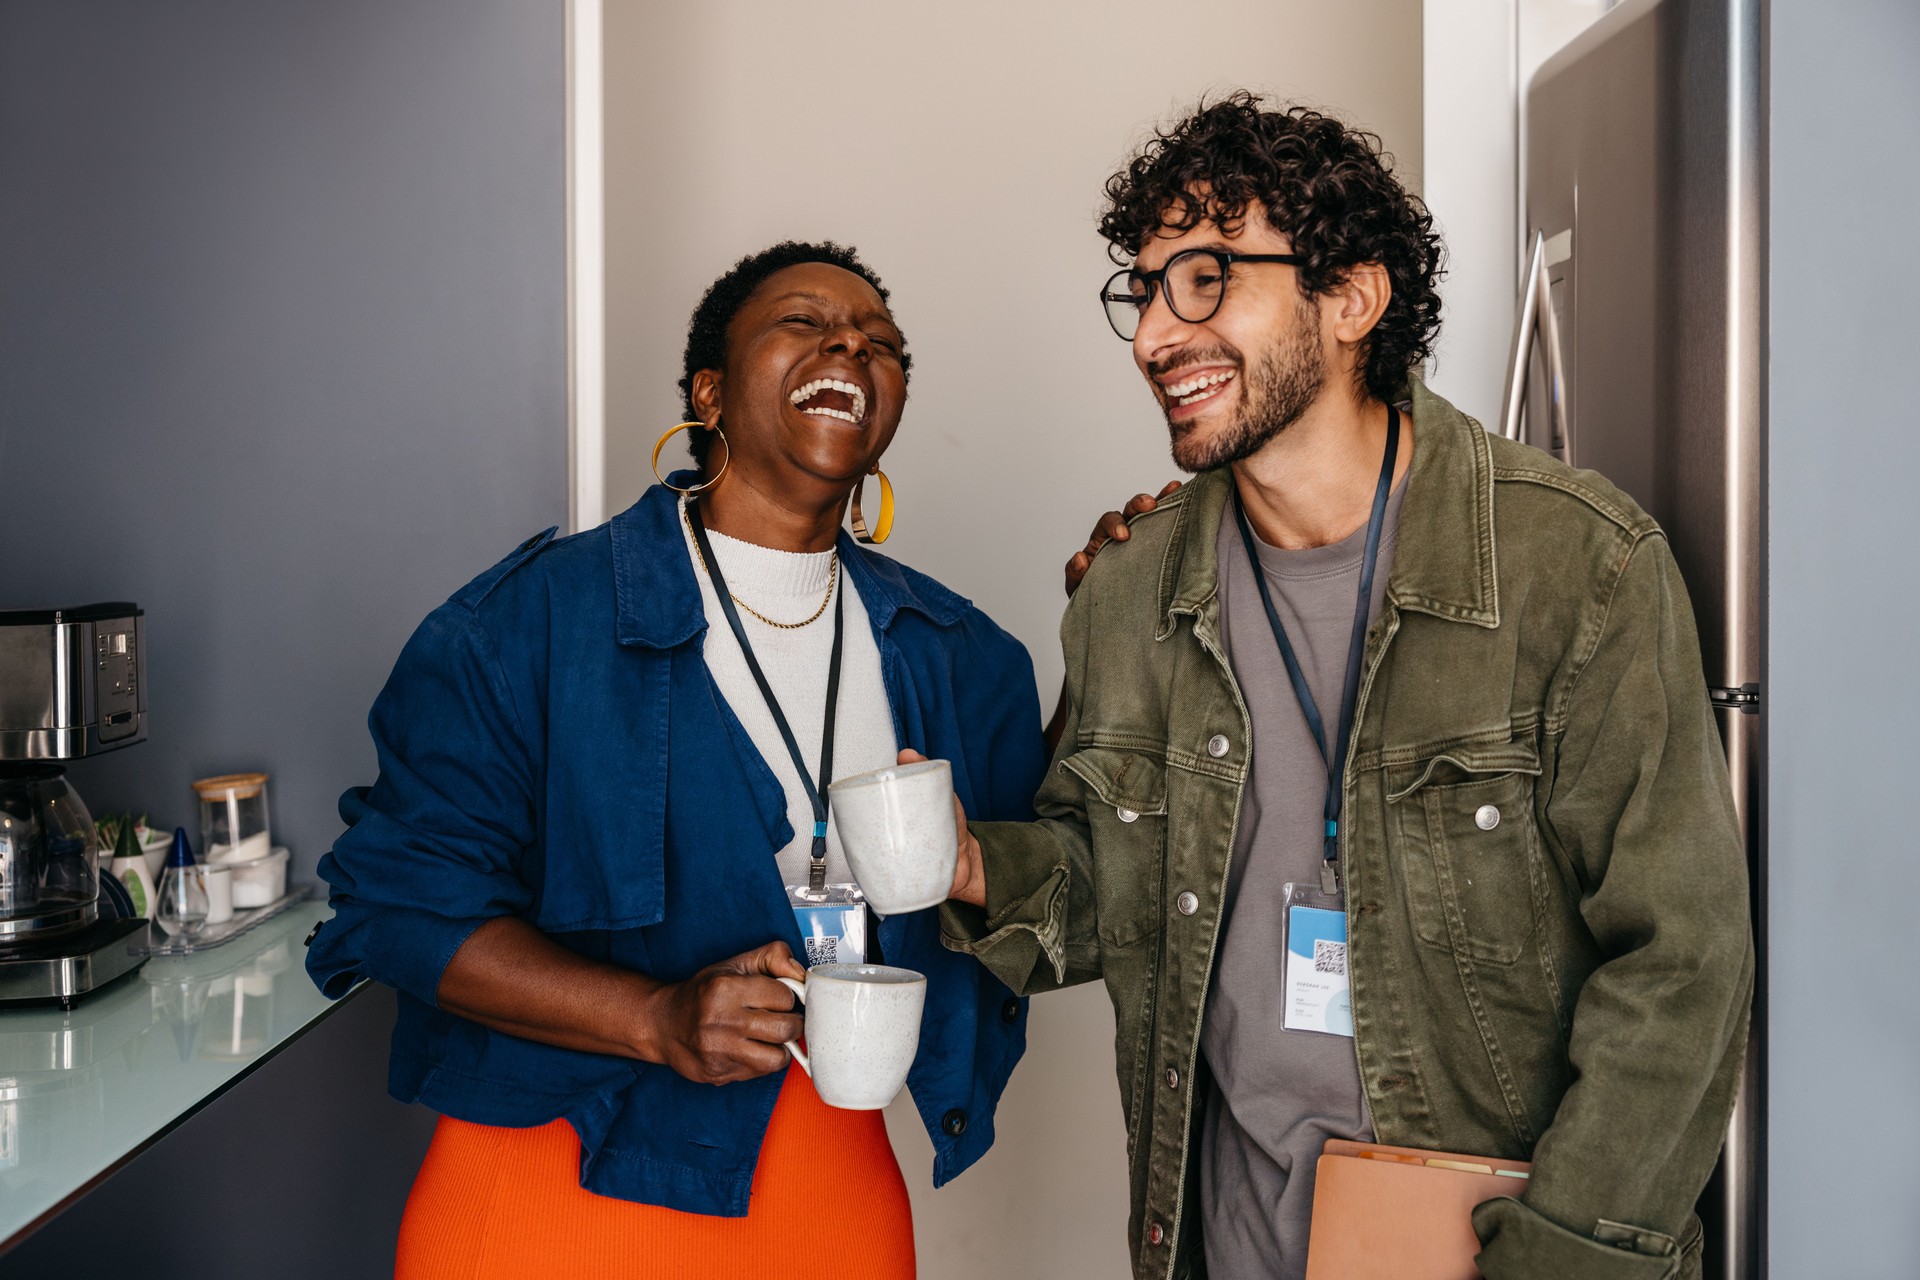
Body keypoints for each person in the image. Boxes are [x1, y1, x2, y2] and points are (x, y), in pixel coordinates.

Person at [935, 95, 1754, 1280]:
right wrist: (979, 870)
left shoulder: (1577, 570)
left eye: (1207, 276)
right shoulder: (1128, 595)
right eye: (1146, 286)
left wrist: (1561, 1258)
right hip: (1222, 1238)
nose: (1155, 334)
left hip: (1492, 1248)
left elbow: (1682, 964)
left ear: (1353, 300)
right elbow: (1117, 886)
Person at [307, 241, 1047, 1280]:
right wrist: (651, 1017)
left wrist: (1121, 624)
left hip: (829, 1201)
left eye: (883, 342)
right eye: (804, 321)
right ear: (708, 391)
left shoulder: (960, 653)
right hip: (548, 1197)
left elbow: (1037, 882)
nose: (851, 342)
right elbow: (396, 913)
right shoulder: (527, 624)